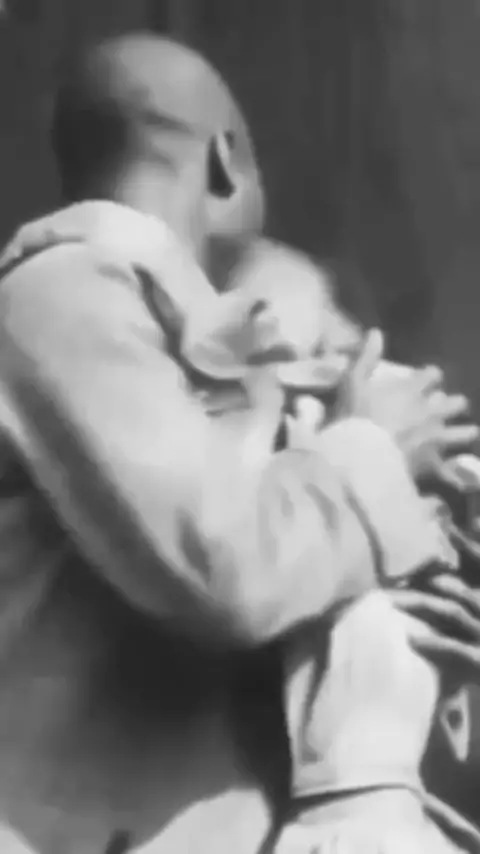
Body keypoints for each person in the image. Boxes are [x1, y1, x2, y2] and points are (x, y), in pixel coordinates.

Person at [0, 32, 477, 854]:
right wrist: (371, 449)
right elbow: (221, 565)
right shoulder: (63, 292)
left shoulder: (194, 338)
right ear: (226, 162)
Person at [187, 237, 480, 852]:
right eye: (278, 375)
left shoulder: (444, 499)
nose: (316, 406)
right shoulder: (232, 529)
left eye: (336, 362)